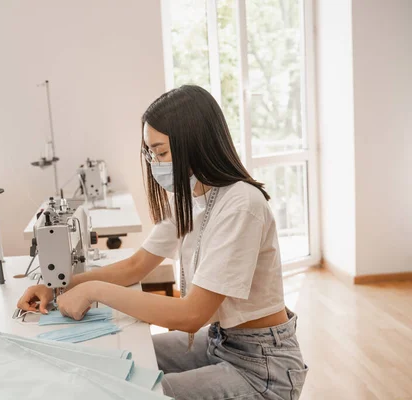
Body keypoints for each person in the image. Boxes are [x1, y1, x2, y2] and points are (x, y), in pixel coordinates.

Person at [18, 85, 308, 399]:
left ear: (194, 142)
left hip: (262, 368)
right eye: (151, 154)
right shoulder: (191, 197)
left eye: (162, 152)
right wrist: (61, 284)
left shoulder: (241, 205)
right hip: (220, 341)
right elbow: (136, 266)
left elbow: (190, 315)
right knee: (118, 360)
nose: (156, 163)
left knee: (128, 392)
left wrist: (93, 290)